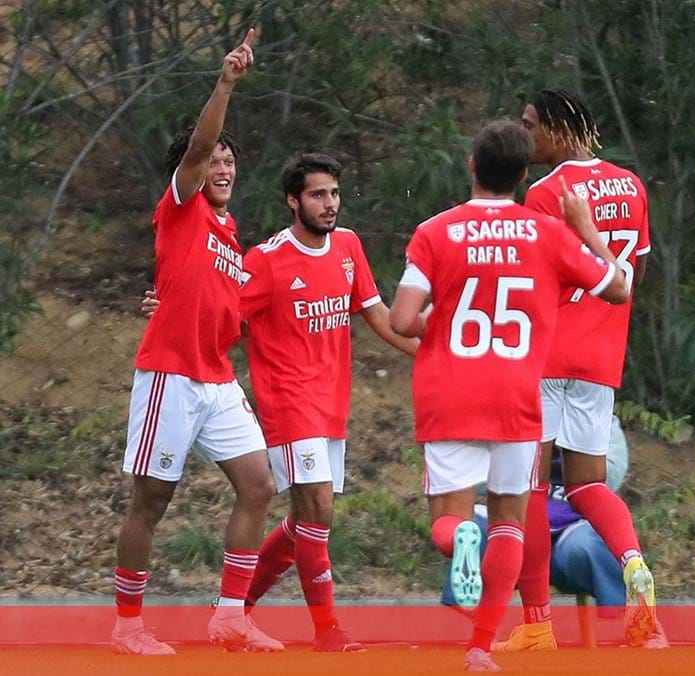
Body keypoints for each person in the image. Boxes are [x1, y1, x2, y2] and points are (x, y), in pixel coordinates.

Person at [141, 154, 421, 651]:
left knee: (307, 523)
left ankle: (234, 611)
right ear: (294, 201)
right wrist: (171, 308)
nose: (329, 204)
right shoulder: (266, 260)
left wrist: (432, 355)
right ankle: (329, 632)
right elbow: (223, 309)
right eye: (317, 195)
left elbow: (377, 314)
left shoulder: (349, 247)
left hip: (331, 404)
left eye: (333, 193)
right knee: (315, 508)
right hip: (288, 403)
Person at [389, 120, 629, 671]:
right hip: (519, 401)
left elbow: (403, 320)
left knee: (450, 521)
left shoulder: (435, 231)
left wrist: (441, 323)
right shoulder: (547, 234)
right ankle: (480, 648)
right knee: (511, 525)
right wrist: (587, 231)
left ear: (472, 166)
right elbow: (615, 290)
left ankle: (461, 539)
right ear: (524, 176)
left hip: (450, 396)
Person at [112, 29, 284, 655]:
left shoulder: (229, 227)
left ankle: (230, 614)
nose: (223, 166)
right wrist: (227, 82)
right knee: (152, 498)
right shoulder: (181, 205)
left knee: (259, 485)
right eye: (214, 160)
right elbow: (203, 143)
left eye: (231, 163)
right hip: (170, 374)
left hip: (216, 379)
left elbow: (211, 296)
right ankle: (128, 624)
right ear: (190, 169)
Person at [496, 88, 660, 652]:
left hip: (546, 357)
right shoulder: (632, 186)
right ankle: (633, 563)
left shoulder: (544, 193)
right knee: (588, 483)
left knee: (533, 490)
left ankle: (538, 623)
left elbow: (536, 278)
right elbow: (627, 278)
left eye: (530, 125)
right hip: (601, 357)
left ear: (560, 130)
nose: (523, 135)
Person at [440, 419, 634, 617]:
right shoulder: (513, 412)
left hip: (571, 525)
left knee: (588, 544)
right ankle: (469, 604)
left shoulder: (593, 412)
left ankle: (628, 611)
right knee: (473, 526)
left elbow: (609, 479)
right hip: (514, 522)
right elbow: (477, 479)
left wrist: (572, 447)